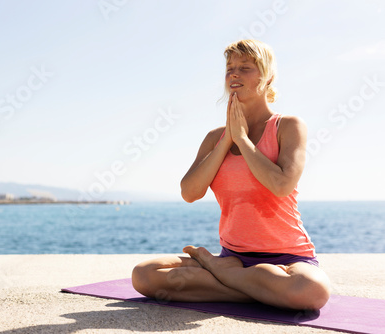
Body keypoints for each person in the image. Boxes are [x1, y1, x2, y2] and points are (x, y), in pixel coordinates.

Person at [131, 39, 331, 310]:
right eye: (229, 68)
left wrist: (243, 141)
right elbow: (189, 192)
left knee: (311, 292)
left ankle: (228, 278)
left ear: (268, 76)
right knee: (144, 274)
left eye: (245, 67)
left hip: (287, 259)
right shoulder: (215, 138)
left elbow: (282, 185)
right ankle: (251, 288)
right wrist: (227, 139)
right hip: (233, 256)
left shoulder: (289, 126)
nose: (234, 74)